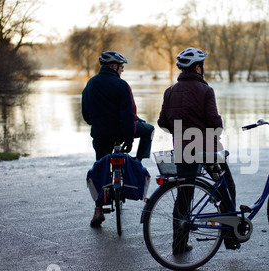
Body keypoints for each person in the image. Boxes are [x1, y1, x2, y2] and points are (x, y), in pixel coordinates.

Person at [158, 47, 238, 253]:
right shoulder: (206, 90)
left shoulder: (170, 92)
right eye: (202, 65)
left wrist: (180, 134)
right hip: (207, 149)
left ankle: (179, 244)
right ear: (197, 67)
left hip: (184, 149)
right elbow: (214, 123)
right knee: (226, 188)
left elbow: (162, 122)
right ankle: (230, 237)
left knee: (185, 195)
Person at [82, 50, 154, 227]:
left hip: (100, 135)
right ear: (114, 66)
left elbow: (85, 114)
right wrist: (129, 139)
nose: (122, 70)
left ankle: (98, 210)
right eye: (121, 67)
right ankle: (137, 162)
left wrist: (97, 125)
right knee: (149, 129)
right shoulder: (121, 85)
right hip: (122, 132)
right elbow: (128, 115)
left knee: (100, 168)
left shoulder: (90, 84)